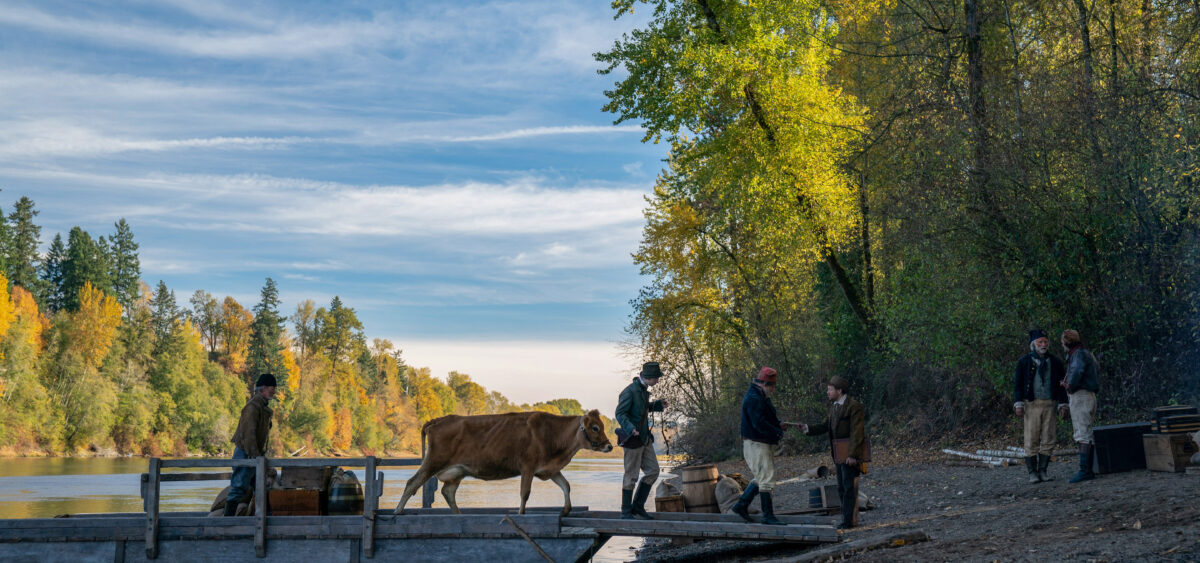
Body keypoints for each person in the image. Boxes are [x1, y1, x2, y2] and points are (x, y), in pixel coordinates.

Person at [798, 376, 866, 530]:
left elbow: (857, 432)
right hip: (839, 455)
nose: (827, 392)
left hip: (849, 455)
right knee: (842, 487)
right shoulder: (834, 407)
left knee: (849, 488)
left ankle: (848, 521)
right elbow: (825, 426)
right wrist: (806, 428)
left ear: (839, 390)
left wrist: (853, 455)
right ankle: (847, 519)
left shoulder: (853, 406)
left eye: (830, 389)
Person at [731, 367, 786, 526]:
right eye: (771, 386)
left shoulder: (758, 396)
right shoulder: (755, 398)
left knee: (761, 477)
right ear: (764, 384)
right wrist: (777, 431)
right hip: (757, 443)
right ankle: (767, 516)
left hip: (758, 442)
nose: (773, 390)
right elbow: (759, 423)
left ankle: (741, 505)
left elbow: (764, 418)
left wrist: (778, 425)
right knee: (766, 478)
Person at [1013, 328, 1068, 483]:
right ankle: (1032, 473)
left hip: (1050, 404)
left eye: (1045, 342)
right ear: (1034, 344)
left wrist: (1063, 405)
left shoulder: (1055, 362)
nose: (1043, 344)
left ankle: (1043, 471)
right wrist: (1018, 404)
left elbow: (1061, 385)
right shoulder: (1024, 362)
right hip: (1032, 404)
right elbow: (1018, 385)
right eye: (1040, 342)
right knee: (1031, 438)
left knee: (1049, 437)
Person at [615, 362, 667, 520]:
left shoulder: (643, 390)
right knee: (631, 475)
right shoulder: (629, 391)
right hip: (633, 439)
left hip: (644, 439)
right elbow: (620, 413)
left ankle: (637, 507)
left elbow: (642, 408)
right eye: (657, 378)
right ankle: (625, 512)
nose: (658, 381)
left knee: (653, 471)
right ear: (649, 378)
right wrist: (630, 428)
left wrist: (657, 405)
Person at [224, 373, 277, 516]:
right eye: (272, 388)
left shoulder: (262, 408)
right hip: (246, 454)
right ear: (263, 388)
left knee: (261, 488)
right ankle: (225, 524)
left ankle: (266, 520)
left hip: (254, 455)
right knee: (238, 488)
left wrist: (260, 458)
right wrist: (256, 458)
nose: (274, 391)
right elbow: (249, 435)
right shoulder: (252, 407)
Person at [1061, 330, 1100, 483]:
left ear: (1065, 342)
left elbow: (1077, 372)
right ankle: (1087, 469)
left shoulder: (1077, 354)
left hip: (1081, 395)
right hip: (1088, 394)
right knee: (1084, 431)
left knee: (1083, 432)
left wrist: (1069, 386)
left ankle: (1085, 470)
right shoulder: (1085, 352)